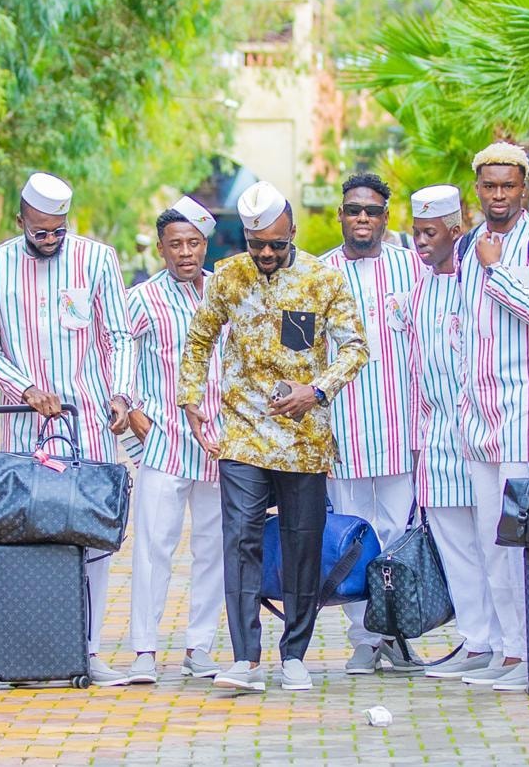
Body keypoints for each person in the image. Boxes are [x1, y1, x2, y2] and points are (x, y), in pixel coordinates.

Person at [178, 180, 368, 692]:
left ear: (293, 233)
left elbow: (355, 347)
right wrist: (191, 399)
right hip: (243, 434)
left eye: (276, 245)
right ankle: (244, 658)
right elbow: (199, 339)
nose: (265, 254)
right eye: (256, 244)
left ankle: (295, 655)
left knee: (301, 545)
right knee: (240, 539)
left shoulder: (322, 280)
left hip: (303, 439)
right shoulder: (228, 277)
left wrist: (317, 390)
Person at [0, 171, 136, 688]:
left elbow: (118, 334)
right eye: (40, 231)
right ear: (20, 219)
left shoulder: (97, 259)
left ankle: (87, 653)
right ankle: (31, 654)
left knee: (92, 537)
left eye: (58, 231)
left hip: (86, 423)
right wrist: (23, 388)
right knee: (27, 535)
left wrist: (121, 394)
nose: (49, 239)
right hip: (25, 430)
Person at [456, 142, 529, 691]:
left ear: (525, 188)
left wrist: (498, 269)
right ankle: (508, 649)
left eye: (508, 185)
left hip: (528, 416)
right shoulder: (466, 246)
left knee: (528, 541)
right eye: (489, 186)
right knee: (491, 541)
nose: (498, 195)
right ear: (477, 189)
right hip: (480, 420)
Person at [319, 173, 424, 674]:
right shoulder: (316, 274)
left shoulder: (412, 268)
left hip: (402, 426)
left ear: (386, 218)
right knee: (354, 540)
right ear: (340, 215)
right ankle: (364, 639)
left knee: (399, 536)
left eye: (373, 211)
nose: (363, 218)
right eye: (354, 210)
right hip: (343, 433)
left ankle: (397, 634)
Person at [124, 196, 225, 685]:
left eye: (193, 243)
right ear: (161, 249)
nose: (185, 252)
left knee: (213, 549)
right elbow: (114, 351)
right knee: (153, 549)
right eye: (175, 244)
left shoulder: (226, 291)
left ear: (205, 245)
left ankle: (199, 647)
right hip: (165, 440)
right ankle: (144, 650)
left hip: (220, 443)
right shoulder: (142, 299)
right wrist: (132, 407)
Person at [404, 185, 499, 679]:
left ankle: (506, 644)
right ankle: (476, 641)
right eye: (416, 233)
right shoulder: (419, 287)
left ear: (456, 231)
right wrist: (418, 442)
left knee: (491, 544)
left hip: (480, 433)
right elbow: (417, 368)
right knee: (454, 545)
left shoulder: (476, 280)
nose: (421, 243)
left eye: (430, 233)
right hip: (437, 437)